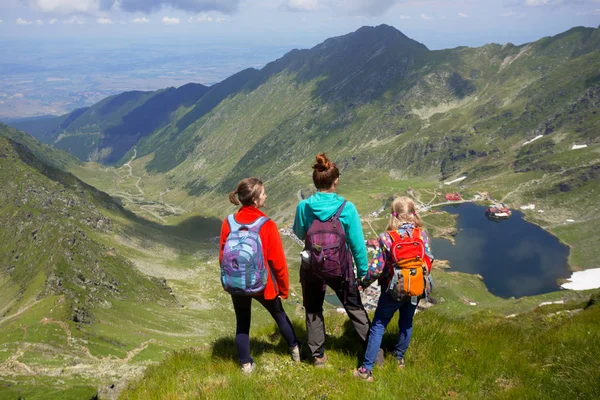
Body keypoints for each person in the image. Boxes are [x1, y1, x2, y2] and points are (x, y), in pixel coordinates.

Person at [293, 153, 371, 367]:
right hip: (341, 267)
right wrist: (363, 274)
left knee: (313, 308)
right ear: (336, 181)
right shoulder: (347, 208)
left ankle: (317, 356)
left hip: (312, 266)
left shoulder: (304, 207)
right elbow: (357, 245)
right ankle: (373, 352)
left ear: (315, 181)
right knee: (354, 306)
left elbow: (300, 233)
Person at [219, 177, 300, 374]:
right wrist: (283, 288)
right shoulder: (266, 225)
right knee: (279, 314)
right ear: (255, 200)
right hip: (262, 284)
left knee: (242, 321)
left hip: (237, 282)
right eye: (263, 193)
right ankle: (295, 351)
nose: (266, 196)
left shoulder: (228, 222)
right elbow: (278, 263)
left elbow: (222, 256)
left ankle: (246, 365)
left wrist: (230, 279)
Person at [354, 196, 434, 381]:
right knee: (406, 322)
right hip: (415, 288)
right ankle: (398, 358)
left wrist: (363, 283)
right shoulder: (421, 235)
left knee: (379, 325)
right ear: (414, 214)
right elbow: (428, 260)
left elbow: (376, 268)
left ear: (394, 215)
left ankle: (366, 370)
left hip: (393, 290)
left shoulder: (387, 237)